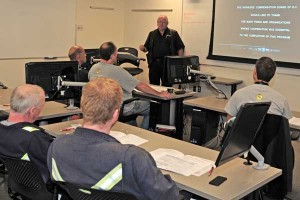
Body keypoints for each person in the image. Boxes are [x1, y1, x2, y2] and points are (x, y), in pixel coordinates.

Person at [47, 77, 180, 199]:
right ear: (116, 114)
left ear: (82, 107)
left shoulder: (57, 145)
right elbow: (169, 196)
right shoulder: (132, 157)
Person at [88, 41, 172, 130]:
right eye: (116, 54)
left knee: (133, 111)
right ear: (112, 56)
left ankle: (132, 128)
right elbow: (140, 85)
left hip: (102, 107)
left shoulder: (93, 69)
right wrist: (159, 94)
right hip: (121, 107)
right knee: (153, 107)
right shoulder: (117, 71)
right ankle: (144, 132)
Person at [0, 84, 53, 183]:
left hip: (21, 186)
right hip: (43, 189)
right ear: (32, 111)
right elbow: (60, 163)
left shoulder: (2, 130)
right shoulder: (34, 138)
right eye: (40, 108)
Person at [225, 56, 292, 120]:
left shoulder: (238, 94)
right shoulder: (282, 100)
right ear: (273, 75)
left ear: (254, 73)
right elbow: (286, 124)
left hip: (244, 132)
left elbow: (229, 122)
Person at [139, 15, 185, 85]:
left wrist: (179, 62)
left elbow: (180, 48)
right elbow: (146, 48)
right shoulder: (152, 34)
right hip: (154, 64)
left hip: (168, 64)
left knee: (167, 86)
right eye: (159, 22)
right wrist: (143, 48)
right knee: (154, 86)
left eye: (163, 22)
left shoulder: (173, 33)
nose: (161, 23)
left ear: (167, 23)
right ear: (157, 23)